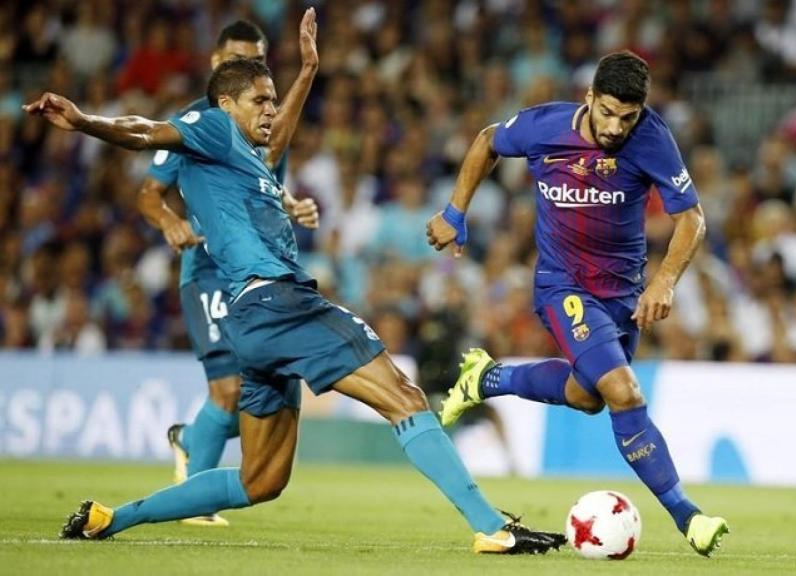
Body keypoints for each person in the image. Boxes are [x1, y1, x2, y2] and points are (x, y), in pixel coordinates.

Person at [28, 12, 564, 556]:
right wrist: (86, 120)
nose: (270, 109)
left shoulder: (246, 159)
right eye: (260, 100)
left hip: (253, 323)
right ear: (227, 106)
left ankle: (109, 518)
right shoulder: (209, 127)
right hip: (278, 302)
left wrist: (308, 70)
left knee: (259, 481)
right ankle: (492, 526)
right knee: (404, 397)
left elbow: (277, 138)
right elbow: (144, 130)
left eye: (272, 98)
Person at [426, 51, 729, 557]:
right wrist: (455, 211)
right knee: (624, 392)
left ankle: (485, 379)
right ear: (589, 97)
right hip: (563, 286)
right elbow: (486, 141)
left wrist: (665, 281)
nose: (615, 127)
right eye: (607, 111)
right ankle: (689, 517)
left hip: (623, 295)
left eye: (627, 117)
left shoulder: (652, 139)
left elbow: (692, 217)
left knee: (587, 396)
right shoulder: (544, 125)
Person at [136, 18, 309, 527]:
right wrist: (169, 221)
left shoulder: (264, 120)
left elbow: (261, 186)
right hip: (210, 270)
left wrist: (293, 204)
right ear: (215, 65)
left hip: (261, 273)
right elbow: (149, 193)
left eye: (252, 58)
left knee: (260, 389)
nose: (243, 66)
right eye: (234, 59)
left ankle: (190, 439)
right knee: (230, 391)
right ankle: (198, 498)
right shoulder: (195, 124)